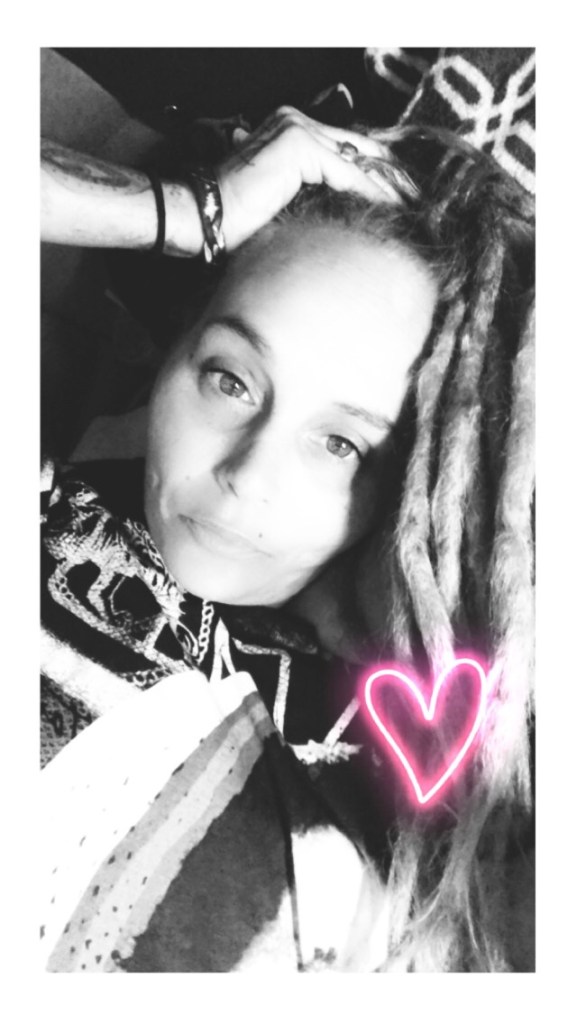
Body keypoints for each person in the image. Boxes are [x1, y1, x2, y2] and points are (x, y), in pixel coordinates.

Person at [40, 109, 535, 972]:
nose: (248, 474)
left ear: (411, 488)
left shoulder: (409, 764)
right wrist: (189, 213)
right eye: (230, 380)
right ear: (175, 348)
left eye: (340, 443)